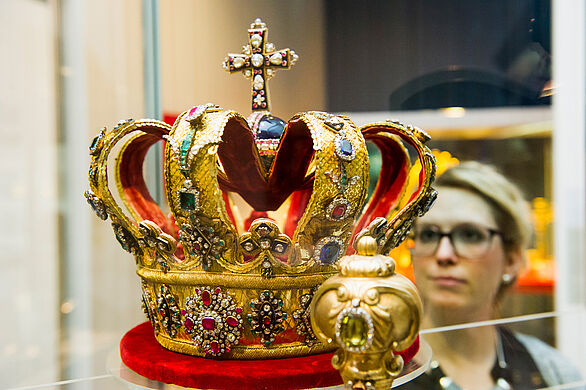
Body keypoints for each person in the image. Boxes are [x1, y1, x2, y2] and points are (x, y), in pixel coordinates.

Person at [399, 161, 582, 390]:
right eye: (428, 234)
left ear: (512, 259)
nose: (444, 254)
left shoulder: (552, 372)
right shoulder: (374, 371)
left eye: (470, 235)